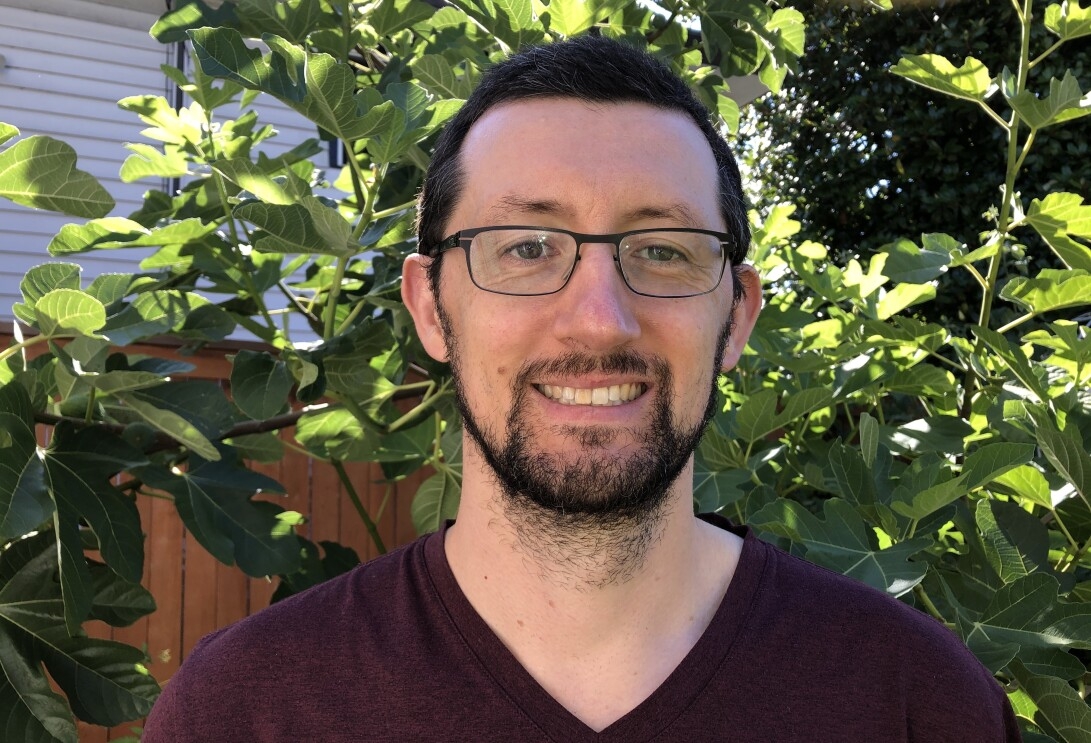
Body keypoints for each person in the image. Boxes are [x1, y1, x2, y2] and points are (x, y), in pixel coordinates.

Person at [143, 36, 1021, 742]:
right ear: (431, 307)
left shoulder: (915, 701)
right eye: (526, 247)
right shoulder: (243, 711)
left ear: (737, 315)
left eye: (664, 250)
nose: (599, 320)